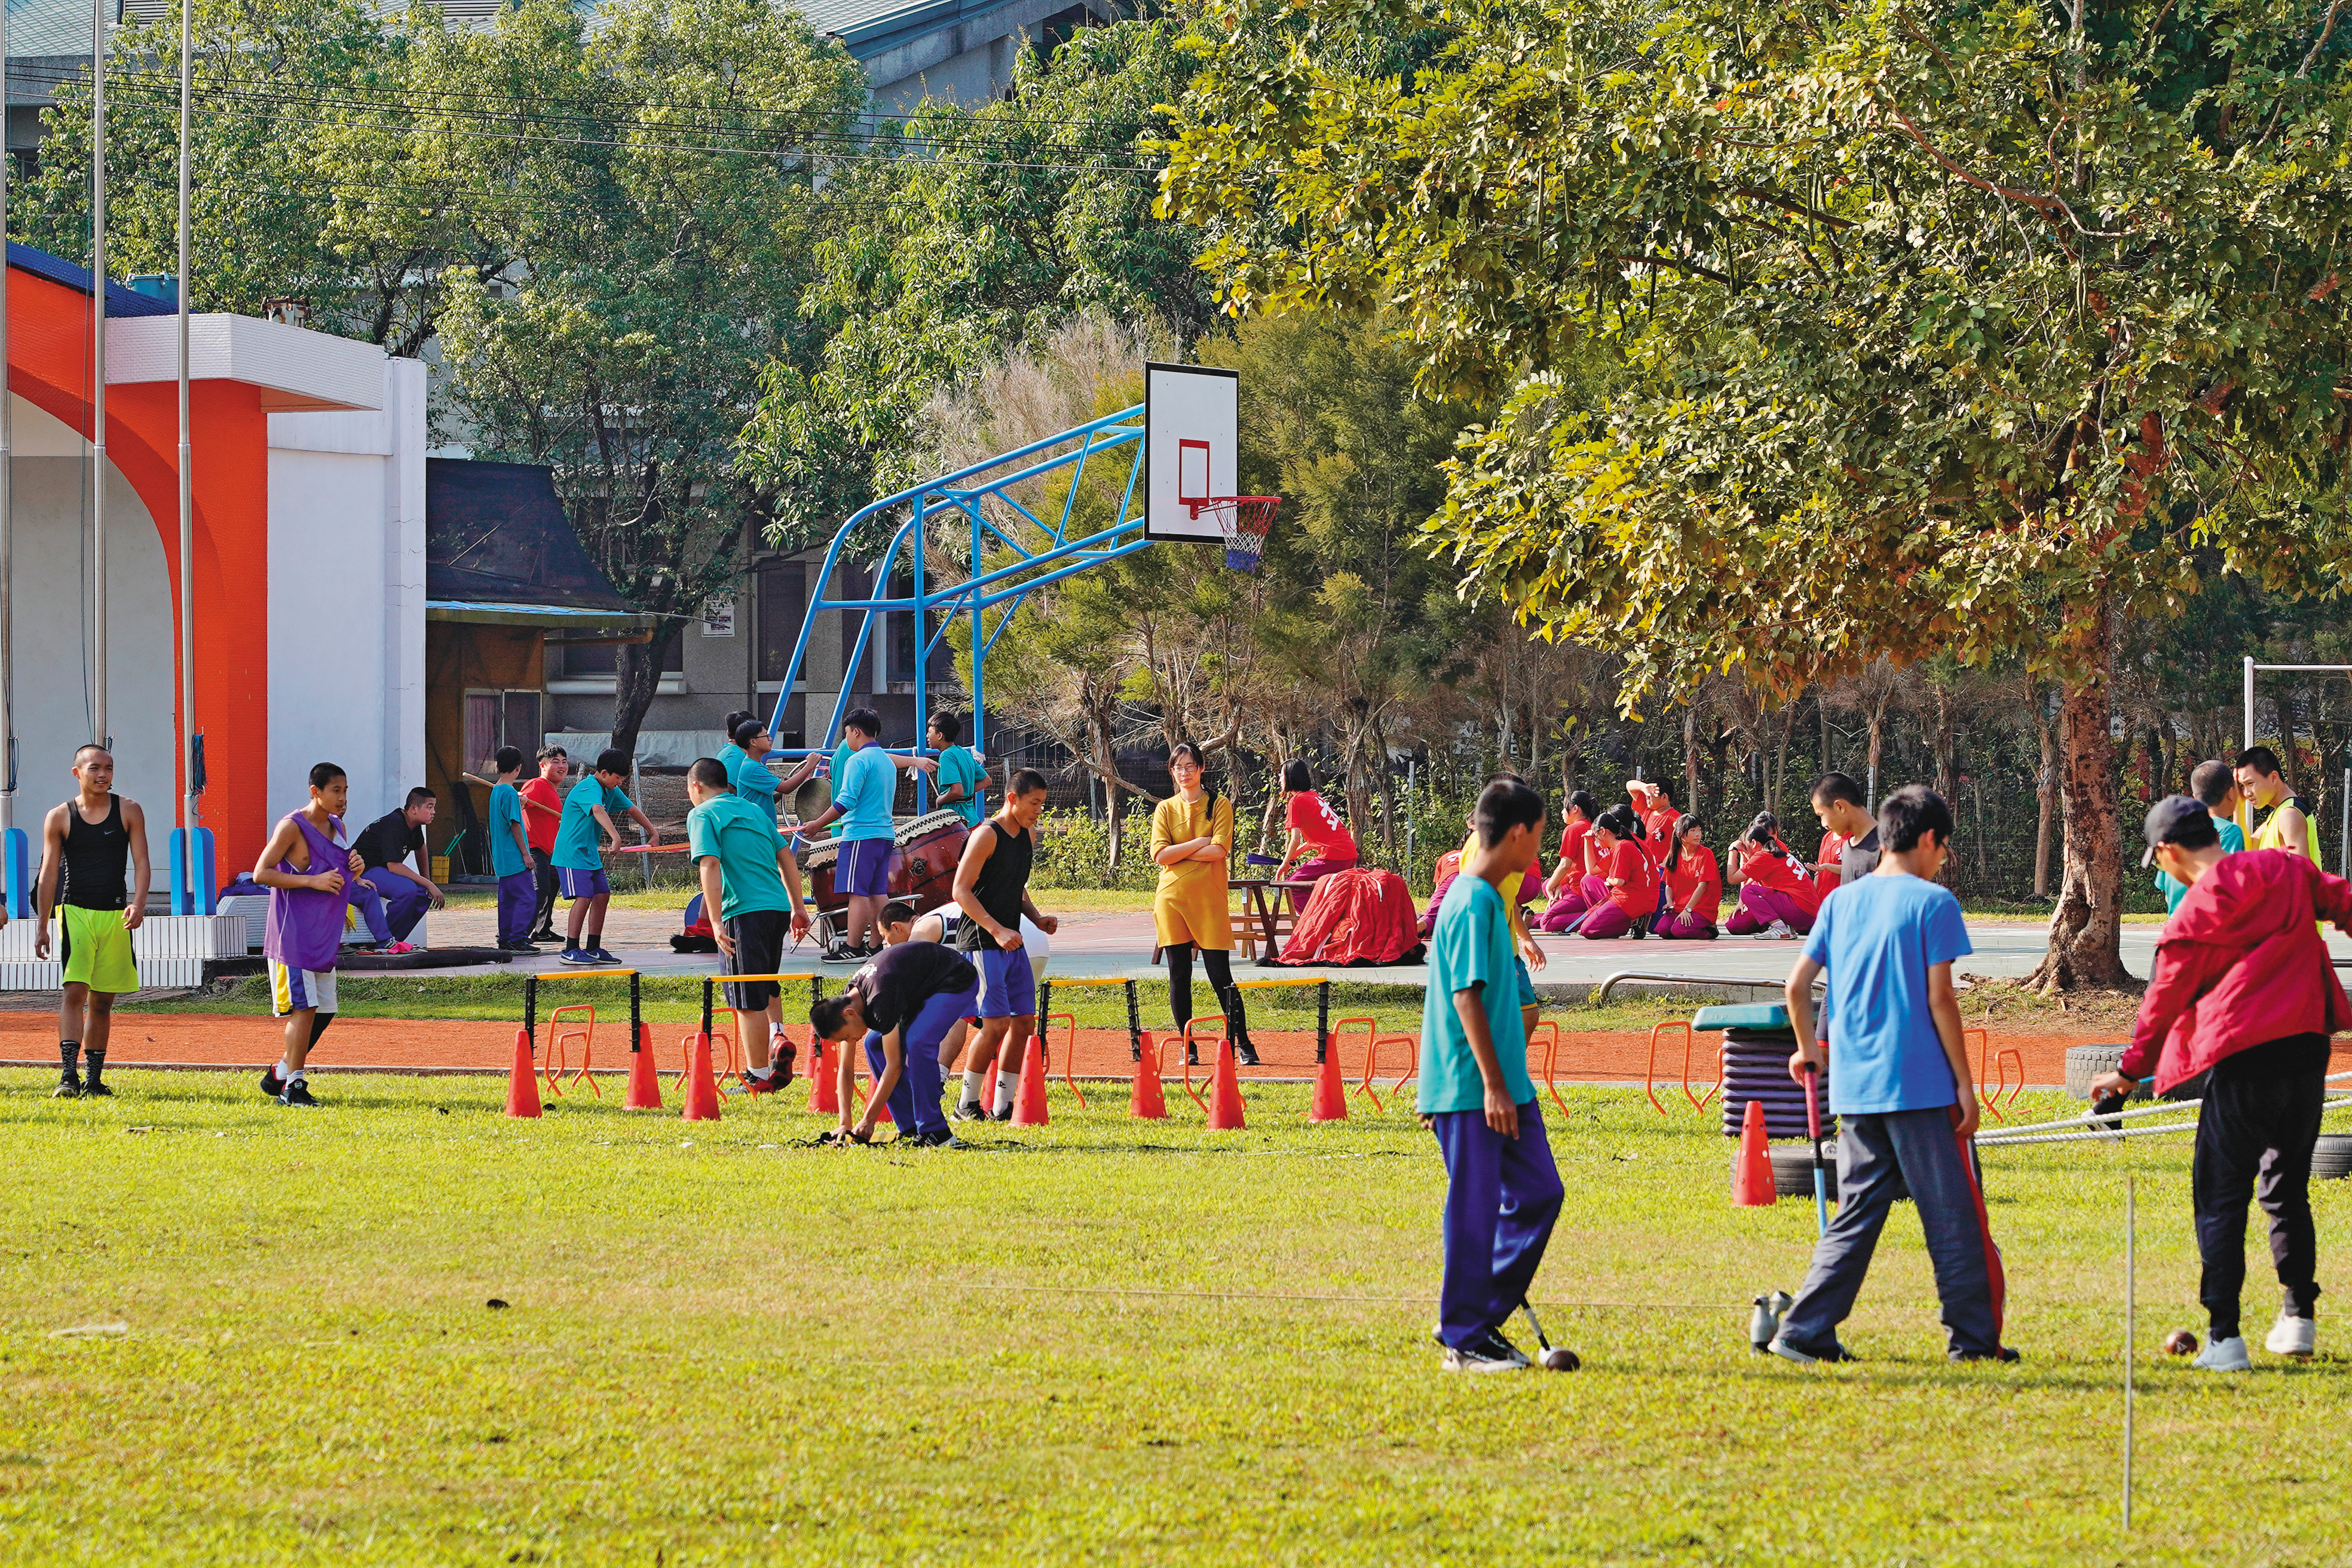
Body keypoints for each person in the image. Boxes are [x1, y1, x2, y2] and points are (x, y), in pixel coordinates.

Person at [2089, 797, 2352, 1371]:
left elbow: (2162, 1005)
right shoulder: (2285, 867)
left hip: (2244, 1057)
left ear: (2168, 851)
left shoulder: (2193, 913)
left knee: (2221, 1197)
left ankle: (2224, 1338)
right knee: (2286, 1187)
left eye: (2158, 863)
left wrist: (2129, 1072)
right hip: (2308, 1048)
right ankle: (2298, 1320)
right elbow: (2345, 902)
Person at [1771, 785, 2009, 1364]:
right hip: (1921, 1085)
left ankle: (1804, 1330)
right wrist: (1965, 1084)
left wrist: (1808, 1050)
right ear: (1928, 839)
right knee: (1953, 1214)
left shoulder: (1841, 902)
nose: (1942, 860)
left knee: (1857, 1213)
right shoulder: (1933, 903)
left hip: (1856, 1087)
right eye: (1944, 849)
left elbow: (1796, 986)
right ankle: (1973, 1340)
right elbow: (1941, 999)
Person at [1417, 776, 1562, 1373]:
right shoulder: (1471, 898)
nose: (1542, 849)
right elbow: (1465, 996)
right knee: (1475, 1206)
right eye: (1542, 833)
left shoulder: (1490, 896)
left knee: (1540, 1192)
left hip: (1505, 1083)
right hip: (1476, 1086)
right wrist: (1492, 1086)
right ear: (1521, 830)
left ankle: (1477, 1314)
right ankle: (1465, 1335)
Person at [685, 756, 811, 1094]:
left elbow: (710, 865)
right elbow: (786, 856)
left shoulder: (702, 814)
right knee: (766, 984)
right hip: (776, 909)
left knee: (745, 997)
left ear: (696, 787)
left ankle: (757, 1076)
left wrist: (713, 920)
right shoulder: (754, 811)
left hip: (742, 911)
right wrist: (798, 907)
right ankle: (776, 1035)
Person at [35, 745, 151, 1099]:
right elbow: (48, 874)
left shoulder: (129, 810)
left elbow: (143, 863)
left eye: (109, 768)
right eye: (95, 768)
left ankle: (95, 1080)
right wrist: (42, 924)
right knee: (74, 992)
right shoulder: (60, 817)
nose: (103, 775)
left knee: (102, 1002)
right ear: (77, 773)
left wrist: (140, 904)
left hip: (115, 914)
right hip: (75, 912)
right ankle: (68, 1077)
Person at [948, 770, 1061, 1120]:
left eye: (1042, 804)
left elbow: (1016, 887)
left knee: (1024, 1023)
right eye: (1034, 803)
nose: (1038, 811)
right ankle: (966, 1104)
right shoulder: (986, 834)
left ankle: (1004, 1105)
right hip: (982, 942)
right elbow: (960, 891)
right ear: (1012, 799)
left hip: (1012, 943)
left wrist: (1037, 917)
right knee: (994, 1025)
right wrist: (997, 930)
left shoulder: (1026, 834)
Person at [254, 763, 364, 1108]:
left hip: (324, 932)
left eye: (346, 791)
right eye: (336, 791)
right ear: (314, 791)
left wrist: (355, 868)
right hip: (293, 936)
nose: (343, 799)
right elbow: (260, 873)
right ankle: (294, 1087)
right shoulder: (291, 826)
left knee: (326, 1010)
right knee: (304, 1008)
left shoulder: (338, 826)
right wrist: (310, 881)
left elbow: (338, 869)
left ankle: (281, 1073)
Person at [808, 936, 979, 1147]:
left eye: (845, 1037)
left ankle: (936, 1132)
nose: (849, 1040)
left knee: (918, 1042)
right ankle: (911, 1127)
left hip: (955, 978)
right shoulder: (849, 1000)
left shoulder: (880, 998)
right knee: (874, 1044)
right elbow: (846, 1068)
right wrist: (846, 1122)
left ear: (850, 1014)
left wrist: (869, 1119)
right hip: (920, 988)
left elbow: (895, 1066)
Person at [1152, 740, 1259, 1065]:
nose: (1183, 773)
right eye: (1177, 767)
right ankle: (1189, 1046)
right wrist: (1200, 842)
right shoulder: (1165, 809)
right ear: (1172, 771)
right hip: (1171, 898)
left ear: (1201, 768)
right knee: (1179, 974)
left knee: (1220, 974)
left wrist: (1182, 850)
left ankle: (1243, 1042)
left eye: (1189, 766)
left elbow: (1219, 851)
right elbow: (1159, 855)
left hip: (1209, 898)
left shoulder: (1219, 804)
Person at [801, 709, 904, 960]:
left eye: (847, 732)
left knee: (856, 893)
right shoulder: (886, 761)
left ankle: (853, 947)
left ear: (856, 731)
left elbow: (846, 800)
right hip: (884, 834)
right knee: (877, 892)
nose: (847, 737)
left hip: (860, 834)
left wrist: (818, 824)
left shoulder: (858, 760)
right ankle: (877, 944)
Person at [553, 746, 656, 966]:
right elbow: (598, 810)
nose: (619, 783)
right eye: (618, 778)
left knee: (602, 894)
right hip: (571, 853)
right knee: (584, 896)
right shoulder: (588, 787)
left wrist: (653, 832)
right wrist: (616, 838)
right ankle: (570, 950)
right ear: (605, 773)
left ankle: (593, 947)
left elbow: (632, 809)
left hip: (589, 855)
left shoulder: (610, 789)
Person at [348, 787, 445, 951]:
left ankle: (393, 940)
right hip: (366, 870)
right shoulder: (394, 824)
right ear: (414, 809)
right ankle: (384, 941)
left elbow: (421, 848)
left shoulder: (414, 825)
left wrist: (427, 882)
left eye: (434, 807)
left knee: (424, 894)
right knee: (406, 890)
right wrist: (429, 884)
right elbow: (394, 867)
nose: (433, 812)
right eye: (429, 807)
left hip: (382, 870)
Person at [2157, 761, 2246, 914]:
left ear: (2195, 797)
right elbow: (2231, 882)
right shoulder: (2231, 832)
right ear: (2232, 793)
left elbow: (2163, 886)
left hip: (2177, 921)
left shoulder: (2179, 829)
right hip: (2208, 921)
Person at [1274, 760, 1360, 912]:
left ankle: (1316, 923)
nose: (1279, 779)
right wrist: (1293, 856)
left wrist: (1285, 863)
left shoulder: (1296, 801)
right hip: (1349, 854)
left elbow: (1295, 839)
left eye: (1281, 775)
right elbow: (1315, 840)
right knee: (1312, 887)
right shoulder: (1314, 796)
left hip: (1334, 856)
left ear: (1289, 778)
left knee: (1292, 886)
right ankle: (1330, 918)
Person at [1725, 811, 1822, 937]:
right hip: (1809, 912)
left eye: (1746, 848)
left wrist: (1733, 850)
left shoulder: (1762, 856)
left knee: (1748, 891)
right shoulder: (1778, 852)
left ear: (1754, 843)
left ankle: (1780, 927)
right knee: (1736, 924)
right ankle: (1786, 926)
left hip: (1801, 911)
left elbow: (1732, 878)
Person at [1573, 804, 1657, 940]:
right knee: (1588, 881)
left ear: (1603, 831)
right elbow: (1592, 870)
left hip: (1631, 898)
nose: (1595, 840)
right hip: (1626, 895)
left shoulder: (1623, 847)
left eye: (1595, 836)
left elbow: (1619, 881)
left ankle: (1623, 923)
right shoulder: (1618, 846)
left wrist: (1609, 880)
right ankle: (1620, 922)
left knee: (1587, 930)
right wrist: (1588, 842)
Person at [483, 748, 537, 951]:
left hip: (501, 856)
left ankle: (505, 937)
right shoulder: (510, 792)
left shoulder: (497, 790)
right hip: (514, 855)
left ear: (497, 766)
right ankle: (517, 938)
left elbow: (506, 817)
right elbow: (515, 824)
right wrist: (526, 854)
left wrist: (519, 804)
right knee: (526, 898)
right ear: (519, 768)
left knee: (507, 900)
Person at [2235, 746, 2319, 869]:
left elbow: (2301, 876)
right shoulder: (2279, 814)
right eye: (2242, 786)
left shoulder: (2289, 814)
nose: (2246, 793)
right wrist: (2239, 806)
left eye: (2250, 784)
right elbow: (2247, 849)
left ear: (2274, 777)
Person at [728, 719, 821, 821]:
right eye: (766, 736)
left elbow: (768, 800)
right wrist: (809, 765)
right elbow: (786, 788)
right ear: (753, 742)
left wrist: (785, 790)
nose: (770, 739)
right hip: (758, 829)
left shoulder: (754, 765)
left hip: (762, 827)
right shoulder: (752, 767)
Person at [520, 746, 567, 944]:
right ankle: (520, 936)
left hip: (550, 851)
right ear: (542, 765)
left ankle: (543, 930)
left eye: (564, 761)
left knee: (554, 883)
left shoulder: (553, 792)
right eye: (555, 762)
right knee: (540, 889)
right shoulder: (538, 784)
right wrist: (520, 800)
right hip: (534, 848)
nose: (562, 766)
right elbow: (520, 801)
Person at [1536, 790, 1601, 932]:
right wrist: (1556, 884)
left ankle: (1592, 916)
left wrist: (1551, 887)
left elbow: (1565, 864)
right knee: (1549, 883)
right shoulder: (1592, 826)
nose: (1562, 812)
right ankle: (1544, 915)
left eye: (1565, 807)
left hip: (1580, 890)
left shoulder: (1573, 829)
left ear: (1575, 809)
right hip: (1588, 886)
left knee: (1547, 923)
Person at [1808, 772, 1881, 892]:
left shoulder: (1888, 847)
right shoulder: (1847, 848)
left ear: (1840, 807)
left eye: (1821, 815)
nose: (1823, 824)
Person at [1655, 815, 1721, 939]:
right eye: (1693, 830)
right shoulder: (1674, 855)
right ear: (1680, 834)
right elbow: (1669, 885)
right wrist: (1669, 902)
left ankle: (1710, 931)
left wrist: (1688, 909)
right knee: (1663, 930)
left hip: (1702, 908)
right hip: (1679, 907)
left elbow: (1703, 885)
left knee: (1679, 930)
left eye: (1699, 830)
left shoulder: (1706, 854)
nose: (1698, 834)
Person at [930, 712, 988, 829]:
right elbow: (986, 780)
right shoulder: (964, 753)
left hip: (955, 822)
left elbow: (957, 791)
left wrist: (940, 800)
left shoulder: (946, 756)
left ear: (940, 735)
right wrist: (968, 792)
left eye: (930, 732)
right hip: (973, 819)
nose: (927, 736)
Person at [1628, 780, 1680, 864]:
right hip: (1643, 865)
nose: (1647, 798)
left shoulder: (1676, 818)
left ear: (1664, 797)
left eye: (1650, 796)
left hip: (1662, 869)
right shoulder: (1646, 809)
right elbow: (1629, 785)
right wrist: (1644, 787)